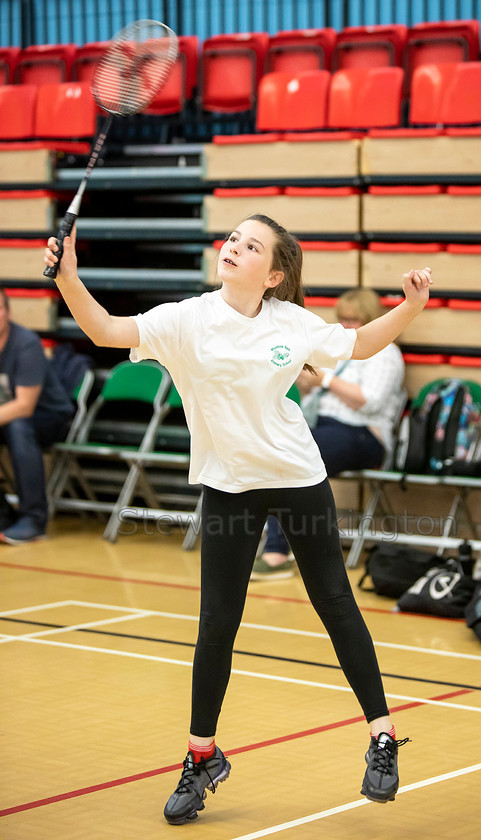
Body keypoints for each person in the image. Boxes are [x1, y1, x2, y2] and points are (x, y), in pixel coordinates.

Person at [44, 214, 432, 824]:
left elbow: (356, 345)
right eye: (232, 239)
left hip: (298, 475)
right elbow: (104, 330)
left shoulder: (291, 323)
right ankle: (202, 757)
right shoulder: (185, 319)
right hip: (228, 484)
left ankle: (382, 738)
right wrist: (67, 276)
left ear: (273, 274)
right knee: (217, 624)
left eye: (251, 246)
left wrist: (410, 306)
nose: (233, 247)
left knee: (334, 600)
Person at [252, 288, 405, 580]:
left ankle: (277, 551)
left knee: (293, 460)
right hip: (324, 426)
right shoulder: (338, 349)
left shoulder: (386, 351)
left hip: (363, 434)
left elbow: (368, 401)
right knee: (277, 455)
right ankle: (283, 547)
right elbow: (313, 392)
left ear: (371, 319)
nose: (347, 326)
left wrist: (327, 379)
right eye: (343, 319)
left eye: (355, 320)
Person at [0, 288, 74, 544]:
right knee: (13, 426)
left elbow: (24, 406)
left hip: (50, 418)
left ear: (7, 312)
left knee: (18, 426)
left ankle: (34, 520)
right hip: (7, 418)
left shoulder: (25, 343)